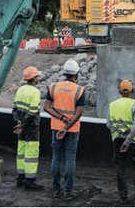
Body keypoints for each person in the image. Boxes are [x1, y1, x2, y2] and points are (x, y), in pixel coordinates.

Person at [43, 59, 85, 200]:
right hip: (72, 129)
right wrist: (66, 127)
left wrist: (60, 119)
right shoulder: (79, 90)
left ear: (64, 73)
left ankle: (56, 190)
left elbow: (46, 107)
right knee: (70, 159)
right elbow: (79, 113)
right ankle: (68, 192)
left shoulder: (53, 87)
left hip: (56, 128)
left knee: (56, 158)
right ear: (76, 74)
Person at [13, 66, 44, 190]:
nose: (38, 78)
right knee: (31, 154)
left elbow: (14, 109)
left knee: (21, 152)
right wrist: (23, 125)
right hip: (31, 127)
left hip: (21, 126)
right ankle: (29, 181)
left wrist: (18, 122)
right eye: (37, 76)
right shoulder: (35, 92)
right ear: (33, 78)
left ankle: (20, 179)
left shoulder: (20, 90)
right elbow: (32, 112)